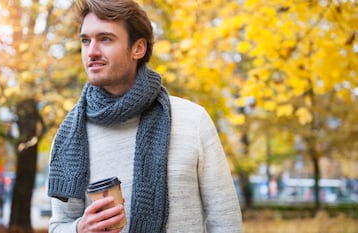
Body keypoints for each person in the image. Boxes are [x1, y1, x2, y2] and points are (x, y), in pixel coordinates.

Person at [47, 0, 243, 232]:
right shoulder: (71, 135)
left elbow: (226, 222)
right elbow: (59, 225)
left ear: (138, 48)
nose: (92, 52)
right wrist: (80, 229)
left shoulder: (193, 121)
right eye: (85, 40)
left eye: (105, 39)